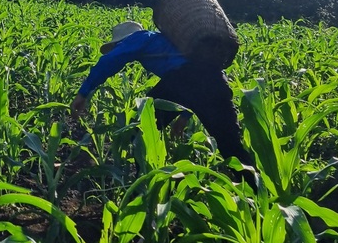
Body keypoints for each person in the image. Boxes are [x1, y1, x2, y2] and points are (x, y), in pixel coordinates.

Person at [70, 21, 255, 180]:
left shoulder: (141, 37)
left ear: (123, 39)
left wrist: (84, 92)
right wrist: (184, 116)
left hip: (181, 79)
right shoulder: (171, 44)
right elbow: (199, 80)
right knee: (231, 145)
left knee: (140, 133)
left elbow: (111, 60)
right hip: (217, 81)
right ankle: (257, 193)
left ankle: (144, 185)